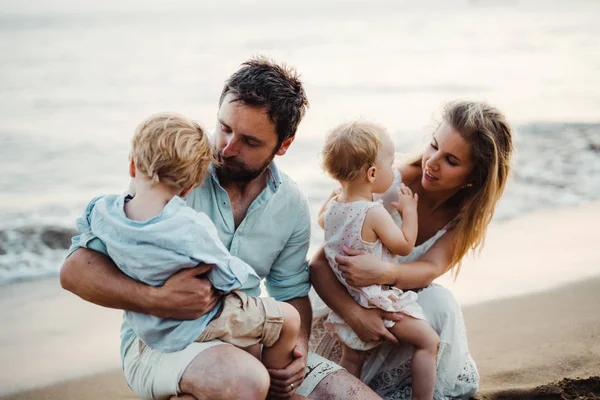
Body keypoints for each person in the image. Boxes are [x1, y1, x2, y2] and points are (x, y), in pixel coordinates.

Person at [61, 57, 385, 400]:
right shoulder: (173, 176)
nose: (227, 148)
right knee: (242, 383)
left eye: (250, 141)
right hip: (159, 343)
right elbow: (74, 270)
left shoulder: (290, 204)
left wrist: (299, 349)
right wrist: (156, 299)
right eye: (225, 128)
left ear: (284, 145)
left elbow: (289, 291)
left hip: (246, 335)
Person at [308, 101, 514, 399]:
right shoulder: (385, 182)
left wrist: (385, 271)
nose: (432, 162)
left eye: (451, 161)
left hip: (393, 304)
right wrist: (354, 315)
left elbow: (430, 268)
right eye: (434, 146)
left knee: (440, 303)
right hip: (347, 300)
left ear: (475, 176)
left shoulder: (465, 216)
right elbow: (320, 263)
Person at [75, 112, 302, 375]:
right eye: (225, 128)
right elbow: (226, 273)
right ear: (188, 189)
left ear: (133, 166)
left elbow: (87, 240)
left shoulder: (102, 211)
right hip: (196, 320)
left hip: (149, 325)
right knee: (285, 319)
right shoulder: (189, 226)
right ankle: (277, 389)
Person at [317, 121, 439, 399]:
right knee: (428, 341)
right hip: (377, 302)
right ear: (372, 173)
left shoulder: (333, 209)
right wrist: (410, 211)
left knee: (351, 361)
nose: (395, 170)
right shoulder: (373, 212)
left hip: (350, 302)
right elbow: (405, 246)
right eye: (391, 163)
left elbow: (321, 221)